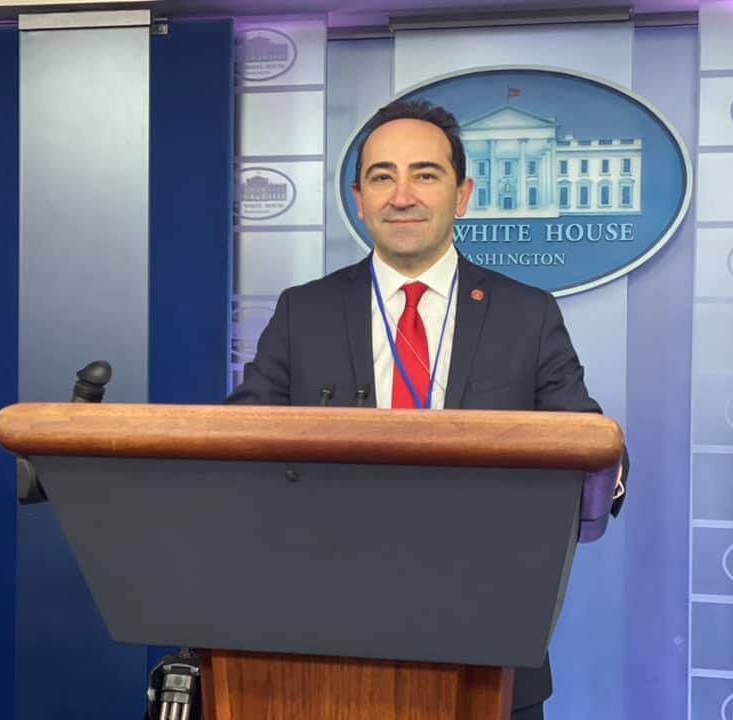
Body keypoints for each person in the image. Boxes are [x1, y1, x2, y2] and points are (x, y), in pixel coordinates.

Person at [226, 99, 627, 720]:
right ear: (359, 199)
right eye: (382, 177)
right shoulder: (304, 311)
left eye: (425, 174)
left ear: (462, 195)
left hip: (488, 647)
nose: (402, 196)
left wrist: (606, 469)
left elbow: (590, 440)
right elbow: (236, 443)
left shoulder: (526, 315)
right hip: (324, 645)